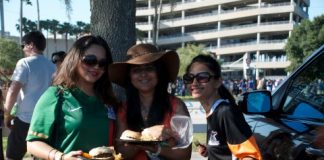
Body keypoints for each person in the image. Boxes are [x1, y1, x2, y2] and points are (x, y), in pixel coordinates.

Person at [26, 35, 118, 160]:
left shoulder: (108, 100)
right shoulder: (55, 95)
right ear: (74, 59)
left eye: (102, 63)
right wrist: (61, 157)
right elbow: (32, 143)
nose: (96, 66)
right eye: (90, 60)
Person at [109, 44, 192, 160]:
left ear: (159, 72)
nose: (143, 74)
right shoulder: (123, 110)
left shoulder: (176, 106)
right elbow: (121, 154)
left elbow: (185, 155)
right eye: (136, 70)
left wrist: (155, 148)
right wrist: (144, 137)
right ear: (130, 76)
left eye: (149, 68)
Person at [184, 54, 262, 160]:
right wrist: (211, 149)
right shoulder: (213, 111)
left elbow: (251, 156)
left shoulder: (226, 112)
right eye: (189, 78)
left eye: (202, 77)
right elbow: (226, 149)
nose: (194, 83)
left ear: (217, 82)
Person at [3, 31, 56, 160]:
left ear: (31, 45)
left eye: (23, 45)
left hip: (25, 120)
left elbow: (13, 90)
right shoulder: (53, 66)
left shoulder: (24, 63)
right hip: (45, 120)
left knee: (12, 156)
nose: (23, 49)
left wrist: (7, 114)